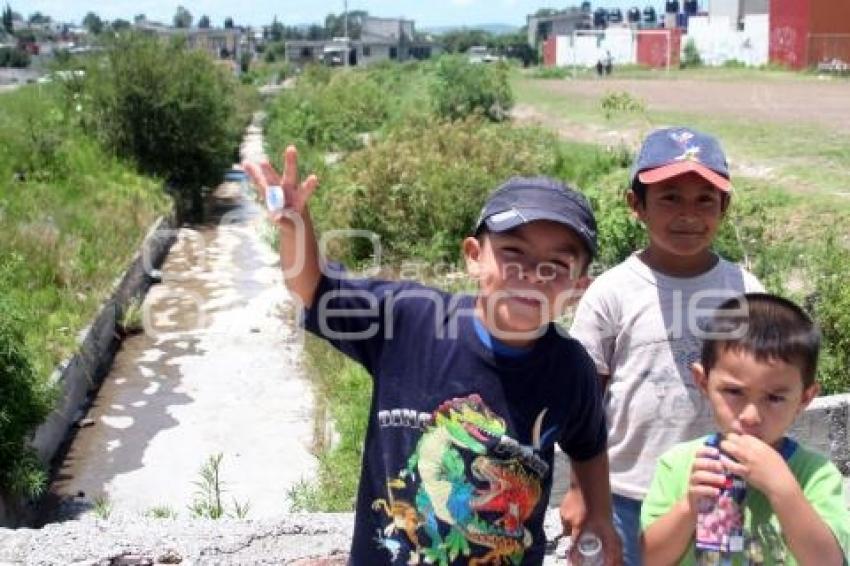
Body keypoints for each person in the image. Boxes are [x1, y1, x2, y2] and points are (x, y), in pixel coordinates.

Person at [244, 147, 623, 565]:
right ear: (474, 257)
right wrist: (295, 224)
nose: (533, 274)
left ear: (578, 287)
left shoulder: (570, 369)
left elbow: (587, 445)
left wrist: (599, 513)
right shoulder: (410, 321)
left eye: (556, 264)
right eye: (514, 253)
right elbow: (312, 289)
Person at [561, 126, 764, 565]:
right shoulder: (611, 292)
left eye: (704, 199)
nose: (688, 214)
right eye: (670, 197)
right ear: (637, 205)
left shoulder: (745, 290)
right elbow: (583, 400)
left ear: (724, 207)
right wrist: (580, 490)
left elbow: (765, 390)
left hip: (718, 487)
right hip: (623, 492)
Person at [641, 293, 850, 565]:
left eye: (774, 398)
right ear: (703, 382)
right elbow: (649, 558)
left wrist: (783, 490)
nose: (751, 416)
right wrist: (689, 508)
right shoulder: (679, 466)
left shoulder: (814, 475)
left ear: (805, 399)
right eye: (734, 391)